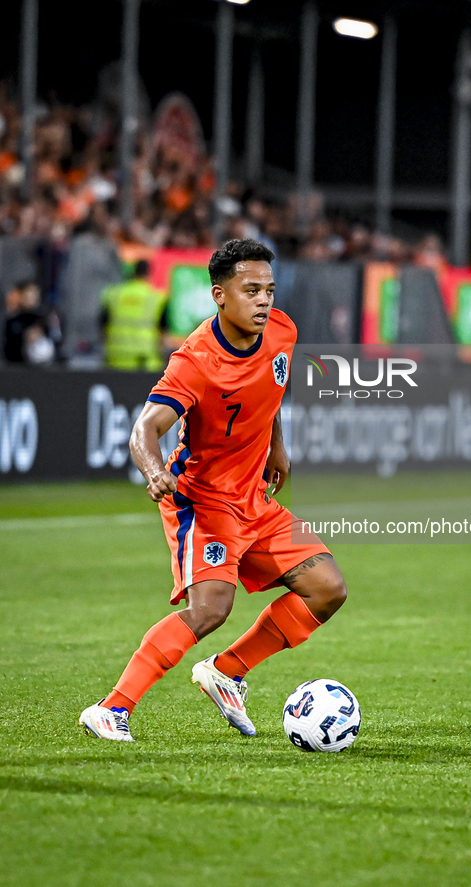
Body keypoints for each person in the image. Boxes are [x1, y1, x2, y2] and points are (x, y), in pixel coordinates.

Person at [79, 238, 347, 741]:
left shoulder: (282, 331)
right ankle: (111, 709)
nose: (264, 300)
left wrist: (277, 447)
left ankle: (227, 671)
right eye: (251, 291)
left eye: (269, 289)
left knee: (327, 589)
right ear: (219, 295)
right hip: (202, 500)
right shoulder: (196, 361)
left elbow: (272, 389)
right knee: (210, 609)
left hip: (253, 497)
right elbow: (146, 428)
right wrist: (153, 471)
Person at [100, 259, 167, 370]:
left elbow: (103, 326)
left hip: (115, 358)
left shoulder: (114, 294)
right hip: (144, 360)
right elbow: (163, 332)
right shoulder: (156, 298)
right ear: (149, 274)